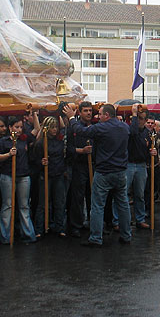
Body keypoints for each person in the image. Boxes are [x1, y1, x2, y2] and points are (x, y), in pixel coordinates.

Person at [62, 103, 132, 247]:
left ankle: (95, 237)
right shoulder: (124, 127)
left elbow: (79, 130)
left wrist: (71, 118)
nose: (97, 116)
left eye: (100, 114)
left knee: (97, 205)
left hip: (104, 171)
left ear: (106, 115)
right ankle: (126, 235)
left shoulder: (102, 127)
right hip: (120, 171)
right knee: (123, 204)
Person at [0, 116, 37, 244]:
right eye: (16, 127)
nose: (19, 130)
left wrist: (34, 113)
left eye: (20, 127)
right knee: (8, 205)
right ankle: (6, 236)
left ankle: (28, 234)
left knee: (24, 206)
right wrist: (8, 154)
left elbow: (37, 129)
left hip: (23, 176)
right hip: (8, 175)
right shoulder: (3, 142)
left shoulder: (24, 140)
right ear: (10, 128)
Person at [34, 116, 68, 238]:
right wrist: (41, 162)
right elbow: (34, 160)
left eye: (56, 127)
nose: (55, 130)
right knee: (43, 203)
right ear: (47, 128)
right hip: (45, 175)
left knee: (59, 202)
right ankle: (39, 228)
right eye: (52, 127)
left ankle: (59, 227)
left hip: (58, 174)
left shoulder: (59, 141)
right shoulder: (40, 143)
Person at [67, 101, 94, 238]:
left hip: (93, 165)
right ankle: (76, 225)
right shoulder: (73, 127)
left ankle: (92, 222)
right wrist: (81, 151)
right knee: (78, 197)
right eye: (86, 111)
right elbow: (68, 148)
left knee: (92, 196)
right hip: (79, 165)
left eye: (90, 110)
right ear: (80, 112)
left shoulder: (96, 126)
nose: (89, 113)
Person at [125, 105, 152, 229]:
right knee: (123, 193)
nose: (139, 121)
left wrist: (152, 153)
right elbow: (134, 132)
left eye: (141, 118)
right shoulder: (130, 129)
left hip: (141, 165)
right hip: (129, 164)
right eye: (138, 118)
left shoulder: (148, 133)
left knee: (140, 194)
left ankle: (140, 219)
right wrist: (134, 115)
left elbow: (149, 148)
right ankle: (121, 219)